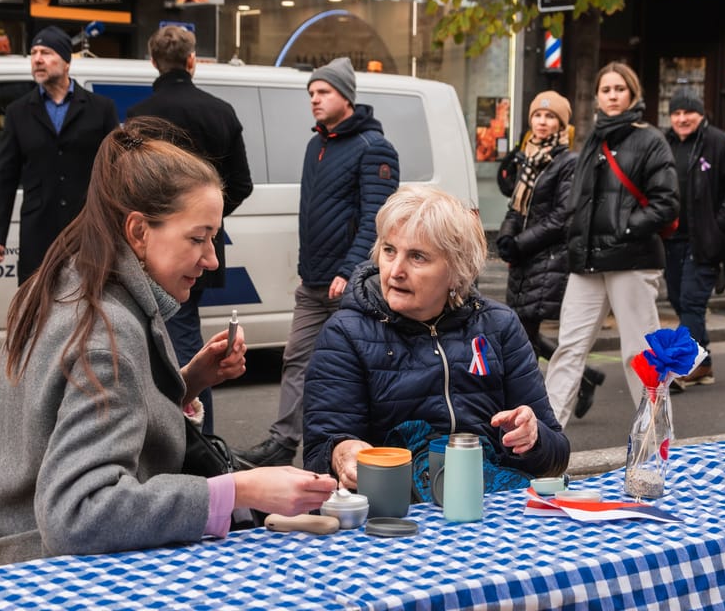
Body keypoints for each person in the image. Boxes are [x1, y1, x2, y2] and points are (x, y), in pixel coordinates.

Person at [0, 118, 336, 569]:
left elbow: (65, 416)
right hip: (45, 573)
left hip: (5, 555)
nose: (211, 258)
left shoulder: (67, 279)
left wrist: (187, 382)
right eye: (198, 238)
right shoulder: (107, 330)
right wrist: (241, 489)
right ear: (139, 232)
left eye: (213, 238)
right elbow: (78, 514)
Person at [302, 185, 569, 485]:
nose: (395, 271)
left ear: (457, 271)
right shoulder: (346, 334)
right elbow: (319, 451)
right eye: (389, 250)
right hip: (395, 510)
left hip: (490, 505)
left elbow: (557, 454)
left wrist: (533, 438)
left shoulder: (499, 326)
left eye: (417, 257)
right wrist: (343, 453)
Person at [235, 57, 400, 468]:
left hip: (353, 282)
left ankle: (355, 447)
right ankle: (283, 440)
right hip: (313, 283)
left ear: (346, 96)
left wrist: (349, 271)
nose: (315, 99)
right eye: (311, 93)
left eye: (323, 92)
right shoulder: (317, 146)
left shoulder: (374, 148)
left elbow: (375, 221)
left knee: (353, 367)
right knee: (296, 358)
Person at [127, 25, 254, 435]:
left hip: (148, 252)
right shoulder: (221, 111)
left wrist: (171, 227)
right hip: (193, 254)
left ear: (153, 62)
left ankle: (186, 443)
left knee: (157, 343)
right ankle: (200, 438)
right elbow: (242, 183)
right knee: (186, 340)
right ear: (192, 61)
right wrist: (204, 228)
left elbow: (128, 189)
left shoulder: (139, 116)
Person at [543, 62, 678, 427]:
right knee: (568, 350)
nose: (612, 95)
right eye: (606, 89)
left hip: (631, 260)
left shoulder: (650, 139)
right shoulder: (593, 138)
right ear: (598, 97)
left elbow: (667, 203)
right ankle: (545, 440)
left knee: (640, 353)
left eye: (620, 89)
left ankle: (656, 440)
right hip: (587, 262)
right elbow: (579, 200)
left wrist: (625, 229)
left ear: (632, 94)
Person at [496, 91, 605, 419]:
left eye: (550, 117)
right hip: (524, 257)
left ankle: (533, 409)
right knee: (520, 327)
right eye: (537, 116)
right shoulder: (528, 157)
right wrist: (505, 235)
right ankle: (584, 379)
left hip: (548, 257)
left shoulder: (568, 162)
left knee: (522, 332)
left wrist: (521, 242)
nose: (542, 122)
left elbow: (562, 217)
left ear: (562, 124)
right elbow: (515, 203)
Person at [0, 26, 120, 284]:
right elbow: (5, 177)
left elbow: (116, 170)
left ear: (66, 62)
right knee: (37, 309)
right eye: (33, 53)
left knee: (88, 304)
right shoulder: (18, 112)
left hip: (88, 230)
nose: (37, 59)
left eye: (46, 52)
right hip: (38, 232)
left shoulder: (100, 109)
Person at [663, 87, 725, 388]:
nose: (682, 118)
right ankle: (705, 363)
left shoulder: (720, 143)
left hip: (705, 241)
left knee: (691, 303)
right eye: (676, 113)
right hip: (670, 239)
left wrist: (718, 225)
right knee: (679, 300)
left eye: (688, 112)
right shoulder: (664, 142)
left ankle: (677, 367)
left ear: (701, 114)